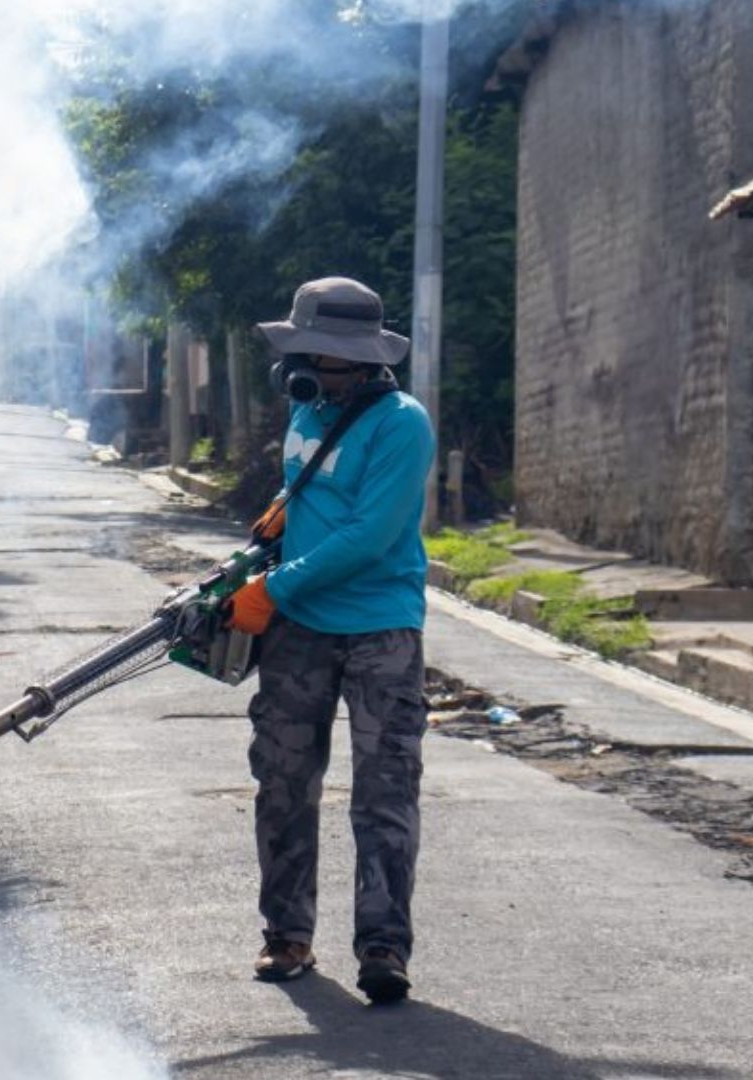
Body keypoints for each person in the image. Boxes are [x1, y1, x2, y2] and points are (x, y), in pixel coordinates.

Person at [221, 276, 435, 1005]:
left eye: (309, 352)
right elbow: (310, 499)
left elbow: (370, 536)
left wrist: (272, 591)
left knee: (382, 792)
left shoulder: (403, 424)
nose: (295, 367)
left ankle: (383, 946)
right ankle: (286, 934)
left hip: (380, 629)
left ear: (355, 358)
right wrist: (265, 553)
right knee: (281, 782)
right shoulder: (306, 409)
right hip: (300, 631)